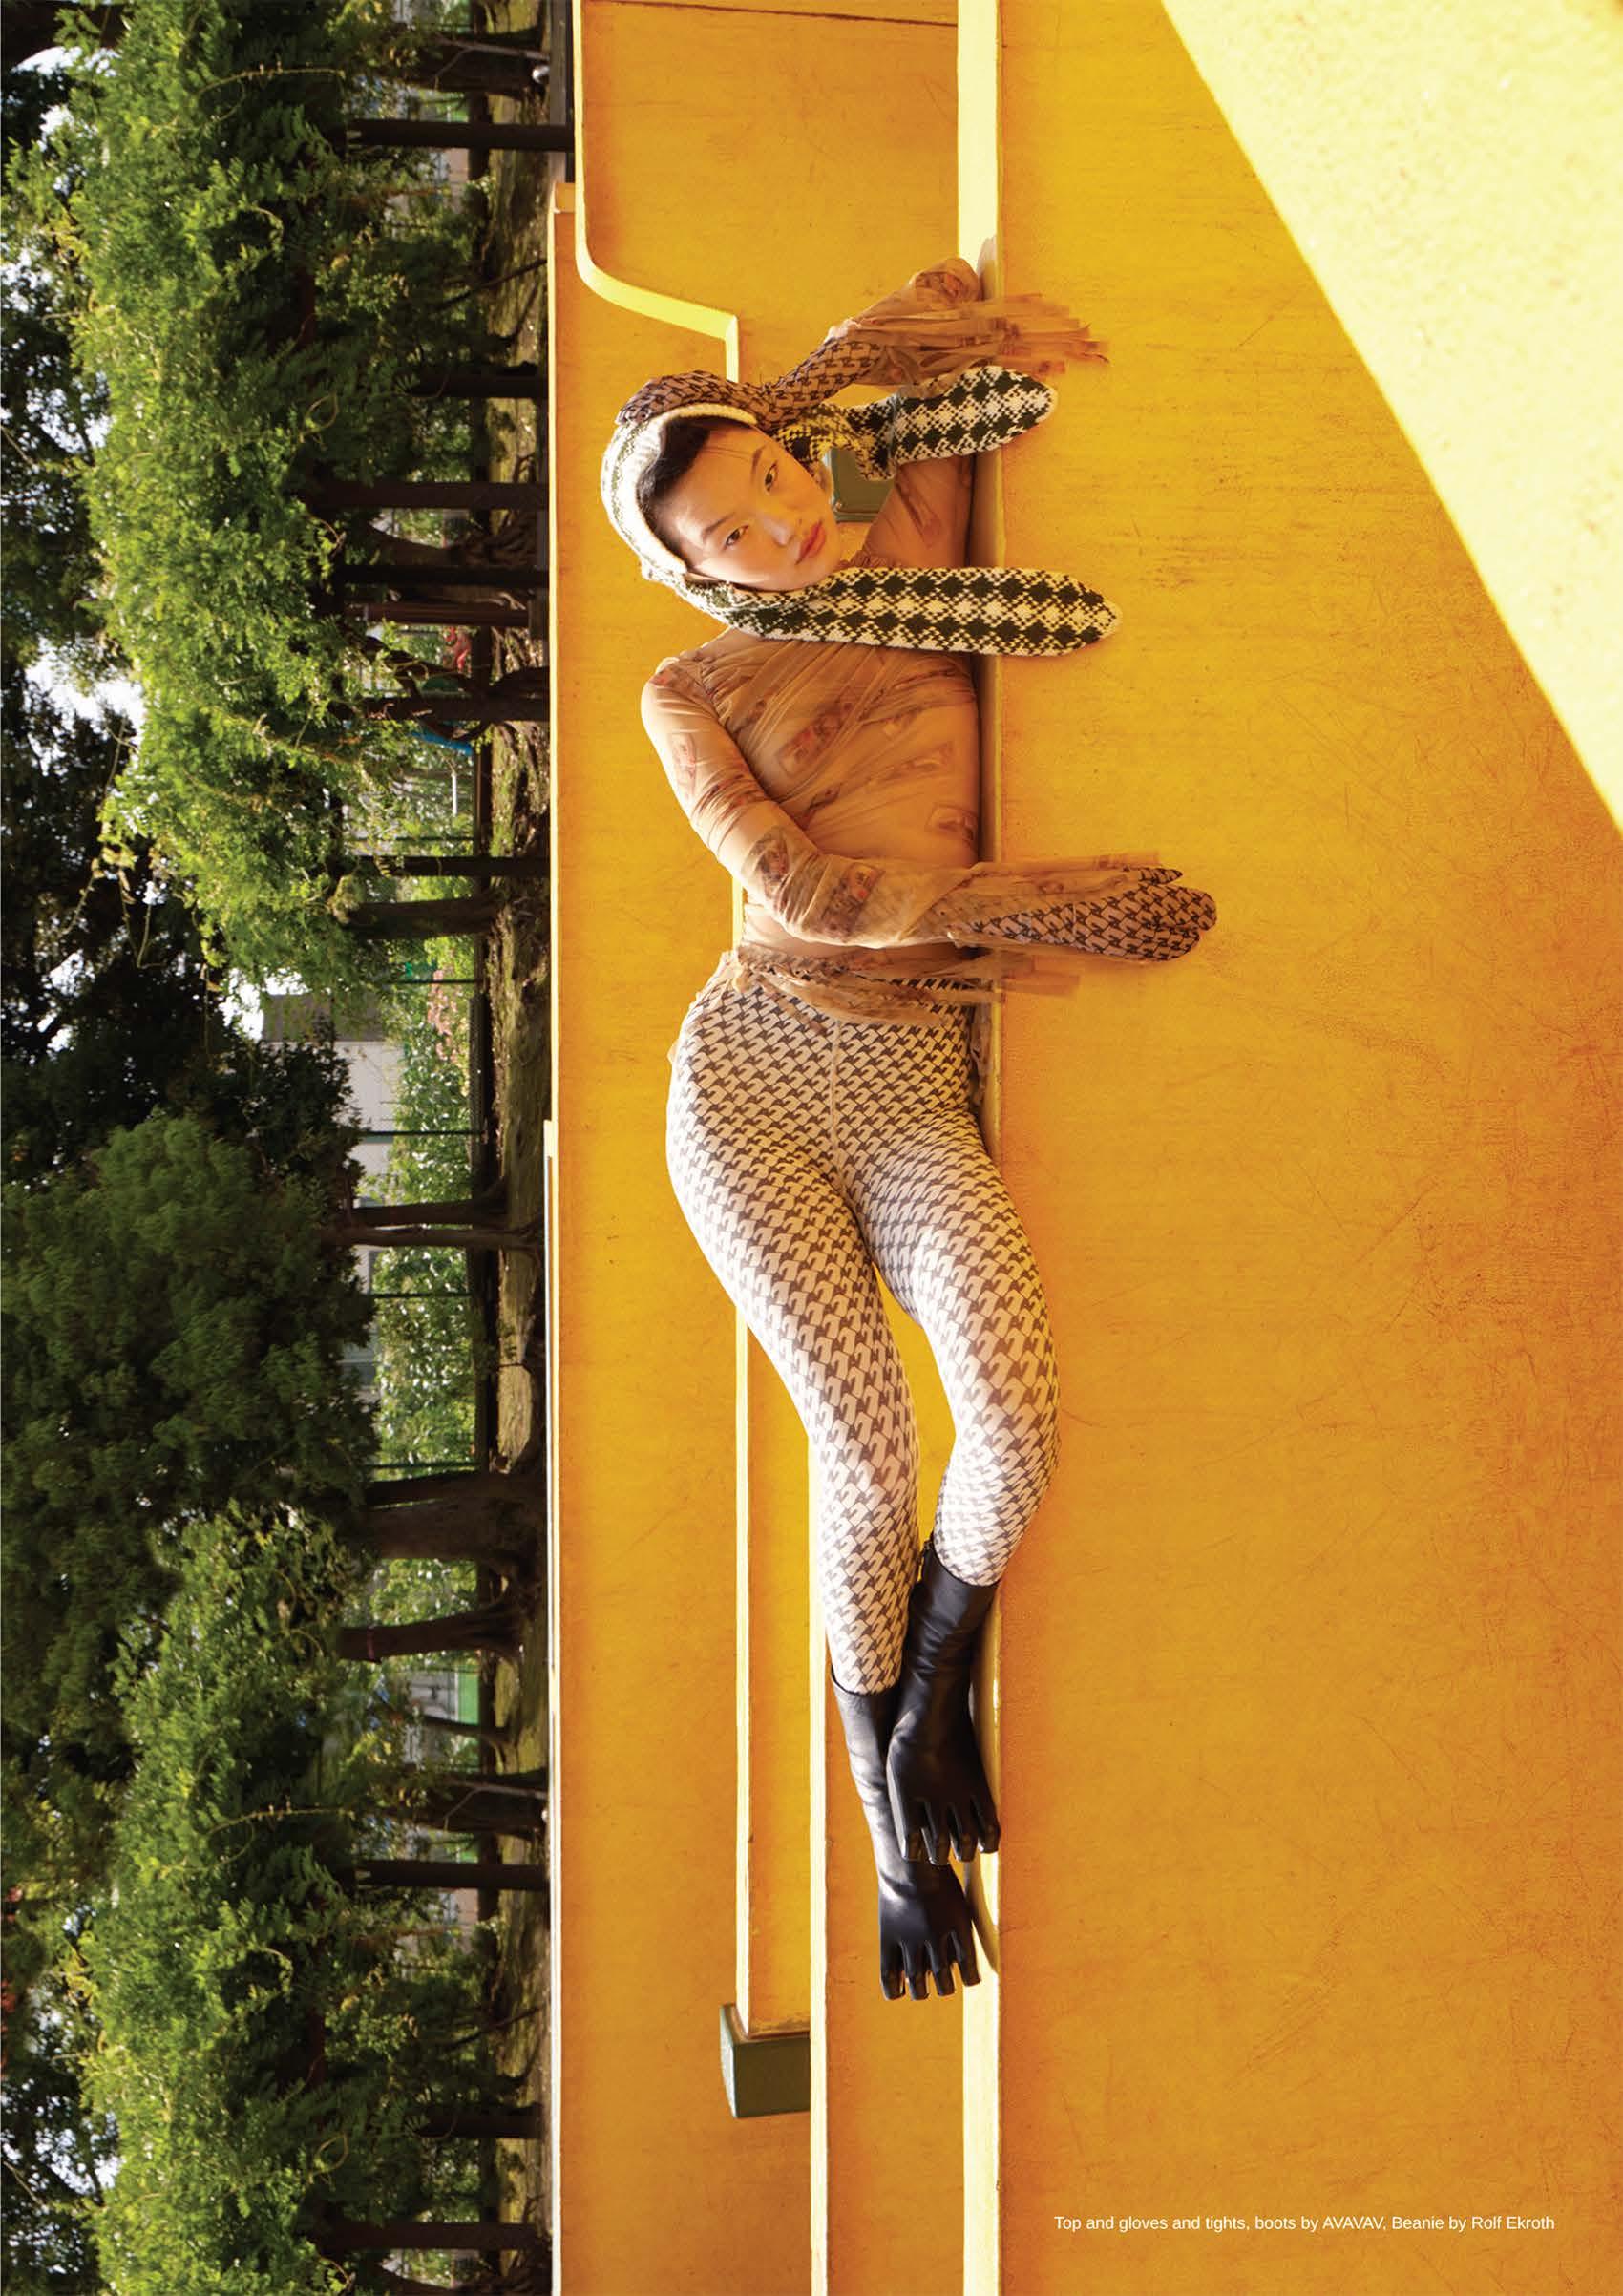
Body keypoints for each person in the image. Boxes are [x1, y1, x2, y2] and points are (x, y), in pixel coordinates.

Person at [600, 259, 1217, 2003]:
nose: (779, 528)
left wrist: (824, 389)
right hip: (754, 1081)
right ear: (692, 572)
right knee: (869, 1457)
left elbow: (929, 316)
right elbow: (806, 891)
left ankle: (929, 1702)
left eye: (773, 478)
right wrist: (1043, 905)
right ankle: (891, 1848)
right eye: (730, 535)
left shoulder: (914, 538)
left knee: (1010, 1413)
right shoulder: (690, 691)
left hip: (912, 1089)